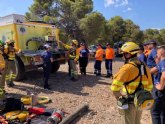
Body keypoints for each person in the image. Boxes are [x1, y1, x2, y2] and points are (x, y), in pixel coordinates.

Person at [111, 42, 153, 124]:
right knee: (137, 122)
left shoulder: (127, 68)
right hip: (140, 101)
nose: (123, 56)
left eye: (124, 53)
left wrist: (119, 97)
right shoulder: (145, 66)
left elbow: (115, 87)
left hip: (128, 103)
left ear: (128, 54)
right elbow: (150, 86)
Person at [150, 45, 165, 124]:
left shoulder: (163, 62)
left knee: (155, 113)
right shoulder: (160, 63)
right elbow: (152, 70)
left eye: (157, 53)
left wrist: (161, 86)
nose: (156, 55)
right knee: (163, 113)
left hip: (160, 92)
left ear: (161, 53)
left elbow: (164, 75)